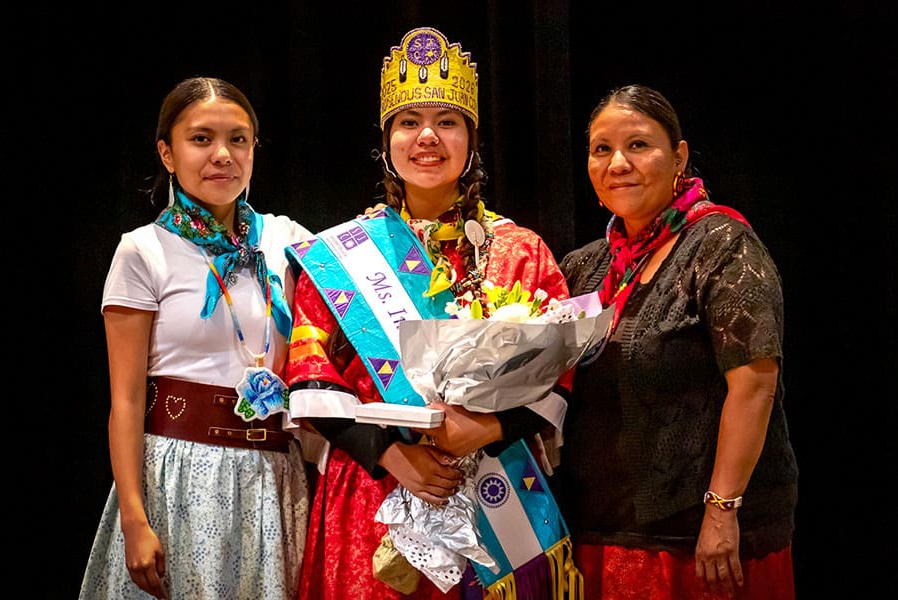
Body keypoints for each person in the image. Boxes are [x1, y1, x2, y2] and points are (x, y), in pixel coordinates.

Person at [283, 27, 574, 599]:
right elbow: (310, 374)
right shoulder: (341, 253)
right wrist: (394, 455)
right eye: (408, 122)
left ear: (471, 139)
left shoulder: (521, 250)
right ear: (387, 140)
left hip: (497, 489)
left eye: (447, 121)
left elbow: (561, 375)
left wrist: (489, 427)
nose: (427, 137)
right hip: (377, 492)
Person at [557, 83, 799, 599]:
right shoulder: (584, 267)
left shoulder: (722, 246)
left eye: (638, 145)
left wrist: (722, 509)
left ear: (678, 157)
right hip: (599, 527)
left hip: (699, 542)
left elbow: (755, 384)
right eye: (602, 149)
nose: (618, 162)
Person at [79, 76, 312, 600]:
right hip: (179, 476)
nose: (222, 155)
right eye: (201, 139)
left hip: (274, 480)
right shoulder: (143, 251)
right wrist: (135, 518)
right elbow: (126, 398)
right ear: (167, 153)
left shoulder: (288, 240)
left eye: (238, 139)